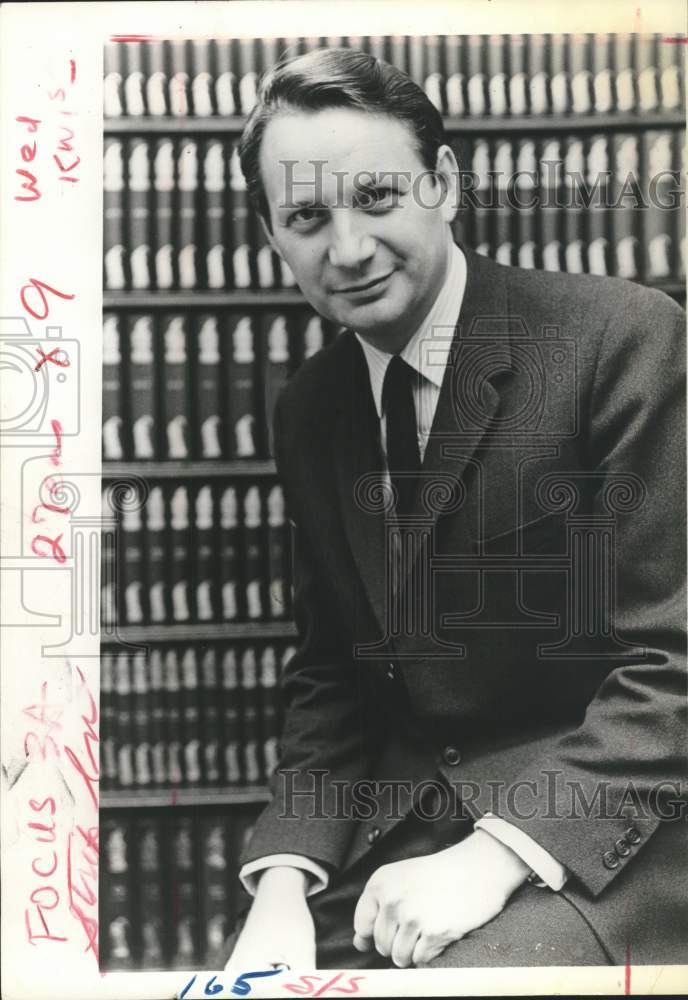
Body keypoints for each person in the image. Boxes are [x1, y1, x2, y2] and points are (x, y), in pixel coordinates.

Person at [225, 46, 687, 971]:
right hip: (402, 839)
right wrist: (283, 881)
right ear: (274, 235)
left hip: (608, 843)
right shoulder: (312, 407)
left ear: (444, 182)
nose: (346, 249)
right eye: (308, 217)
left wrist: (494, 857)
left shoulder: (620, 341)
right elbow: (334, 675)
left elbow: (675, 664)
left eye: (379, 198)